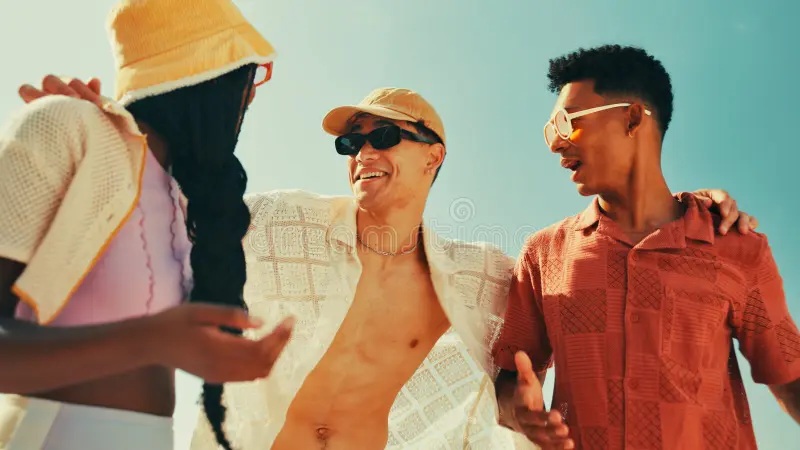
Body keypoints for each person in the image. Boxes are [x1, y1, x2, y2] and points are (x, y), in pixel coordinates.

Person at [18, 74, 757, 448]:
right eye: (351, 142)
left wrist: (684, 208)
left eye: (385, 137)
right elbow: (148, 211)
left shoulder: (486, 278)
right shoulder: (274, 222)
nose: (364, 153)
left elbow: (595, 267)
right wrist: (105, 127)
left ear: (434, 155)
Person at [0, 1, 294, 449]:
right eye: (248, 77)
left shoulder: (183, 198)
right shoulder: (68, 127)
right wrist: (152, 341)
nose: (251, 96)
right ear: (206, 81)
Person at [492, 44, 800, 450]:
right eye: (550, 131)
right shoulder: (543, 253)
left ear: (633, 118)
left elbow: (789, 376)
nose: (555, 144)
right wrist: (521, 413)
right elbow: (511, 381)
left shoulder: (737, 246)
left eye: (566, 123)